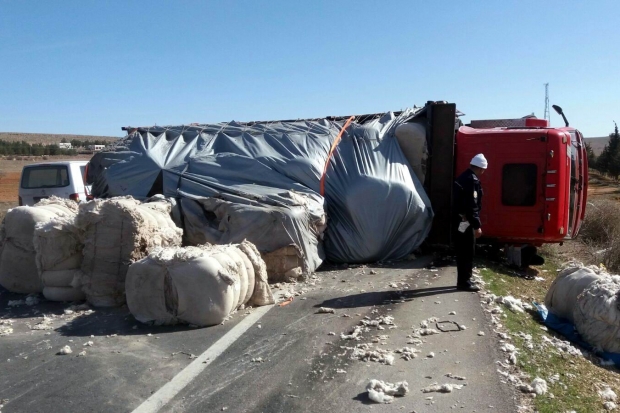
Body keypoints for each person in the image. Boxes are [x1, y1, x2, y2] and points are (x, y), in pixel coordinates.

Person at [453, 154, 488, 291]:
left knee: (462, 251)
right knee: (467, 251)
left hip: (460, 220)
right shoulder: (471, 181)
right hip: (466, 221)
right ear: (480, 169)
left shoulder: (462, 178)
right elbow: (472, 205)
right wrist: (477, 226)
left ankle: (463, 280)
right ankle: (464, 282)